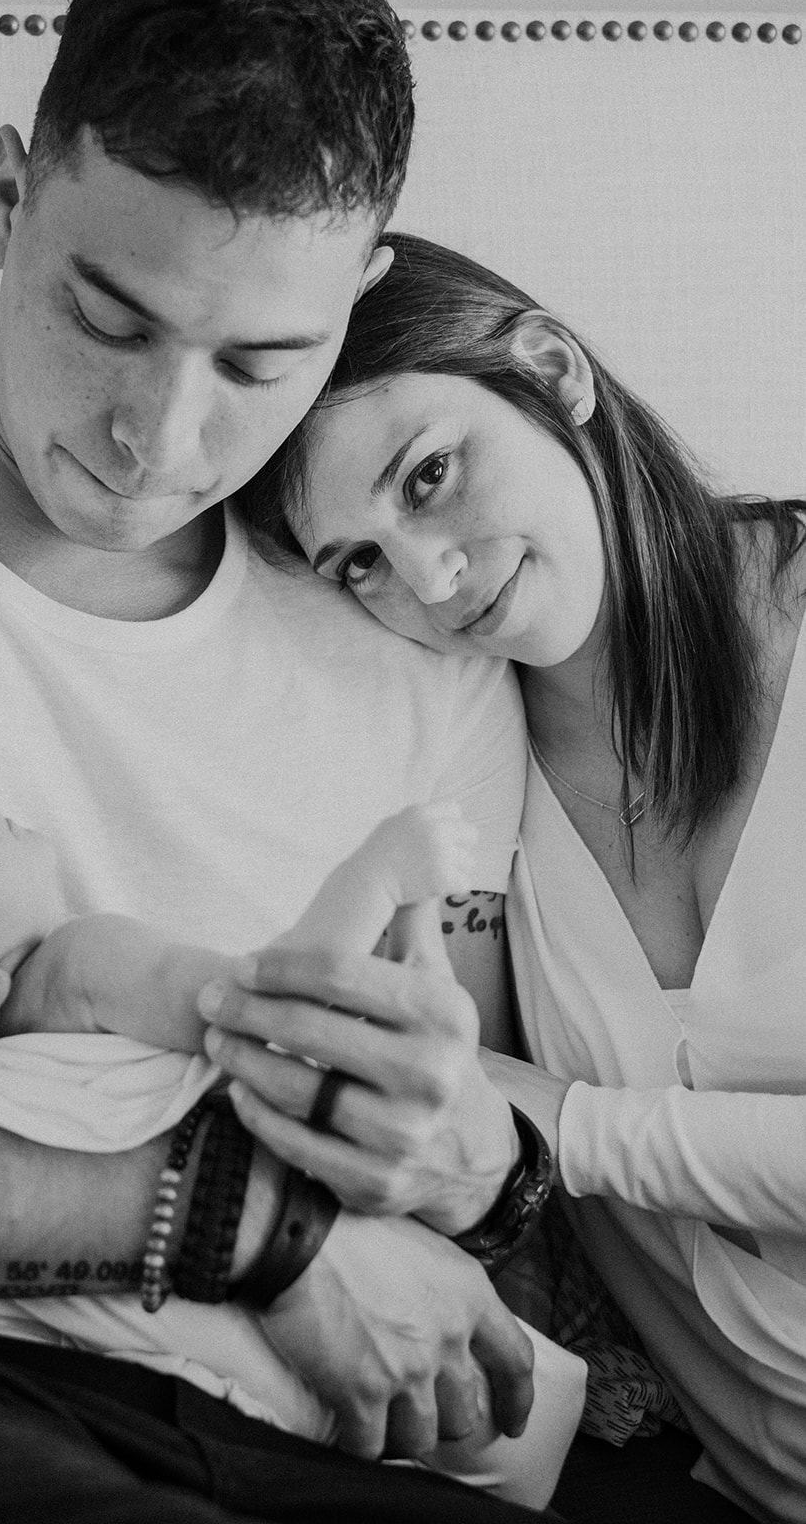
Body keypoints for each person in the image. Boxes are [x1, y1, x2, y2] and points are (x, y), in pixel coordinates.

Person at [0, 0, 552, 1520]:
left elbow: (476, 1138)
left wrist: (468, 1168)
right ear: (3, 201)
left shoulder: (414, 642)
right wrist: (241, 1227)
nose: (156, 440)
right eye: (107, 320)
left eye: (260, 362)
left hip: (300, 1428)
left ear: (359, 302)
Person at [229, 228, 806, 1521]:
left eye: (428, 475)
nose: (426, 581)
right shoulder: (461, 771)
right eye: (357, 562)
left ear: (548, 369)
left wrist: (559, 1125)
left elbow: (513, 1126)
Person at [0, 789, 586, 1511]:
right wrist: (383, 881)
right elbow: (272, 1020)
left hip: (202, 1384)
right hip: (408, 1354)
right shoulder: (82, 963)